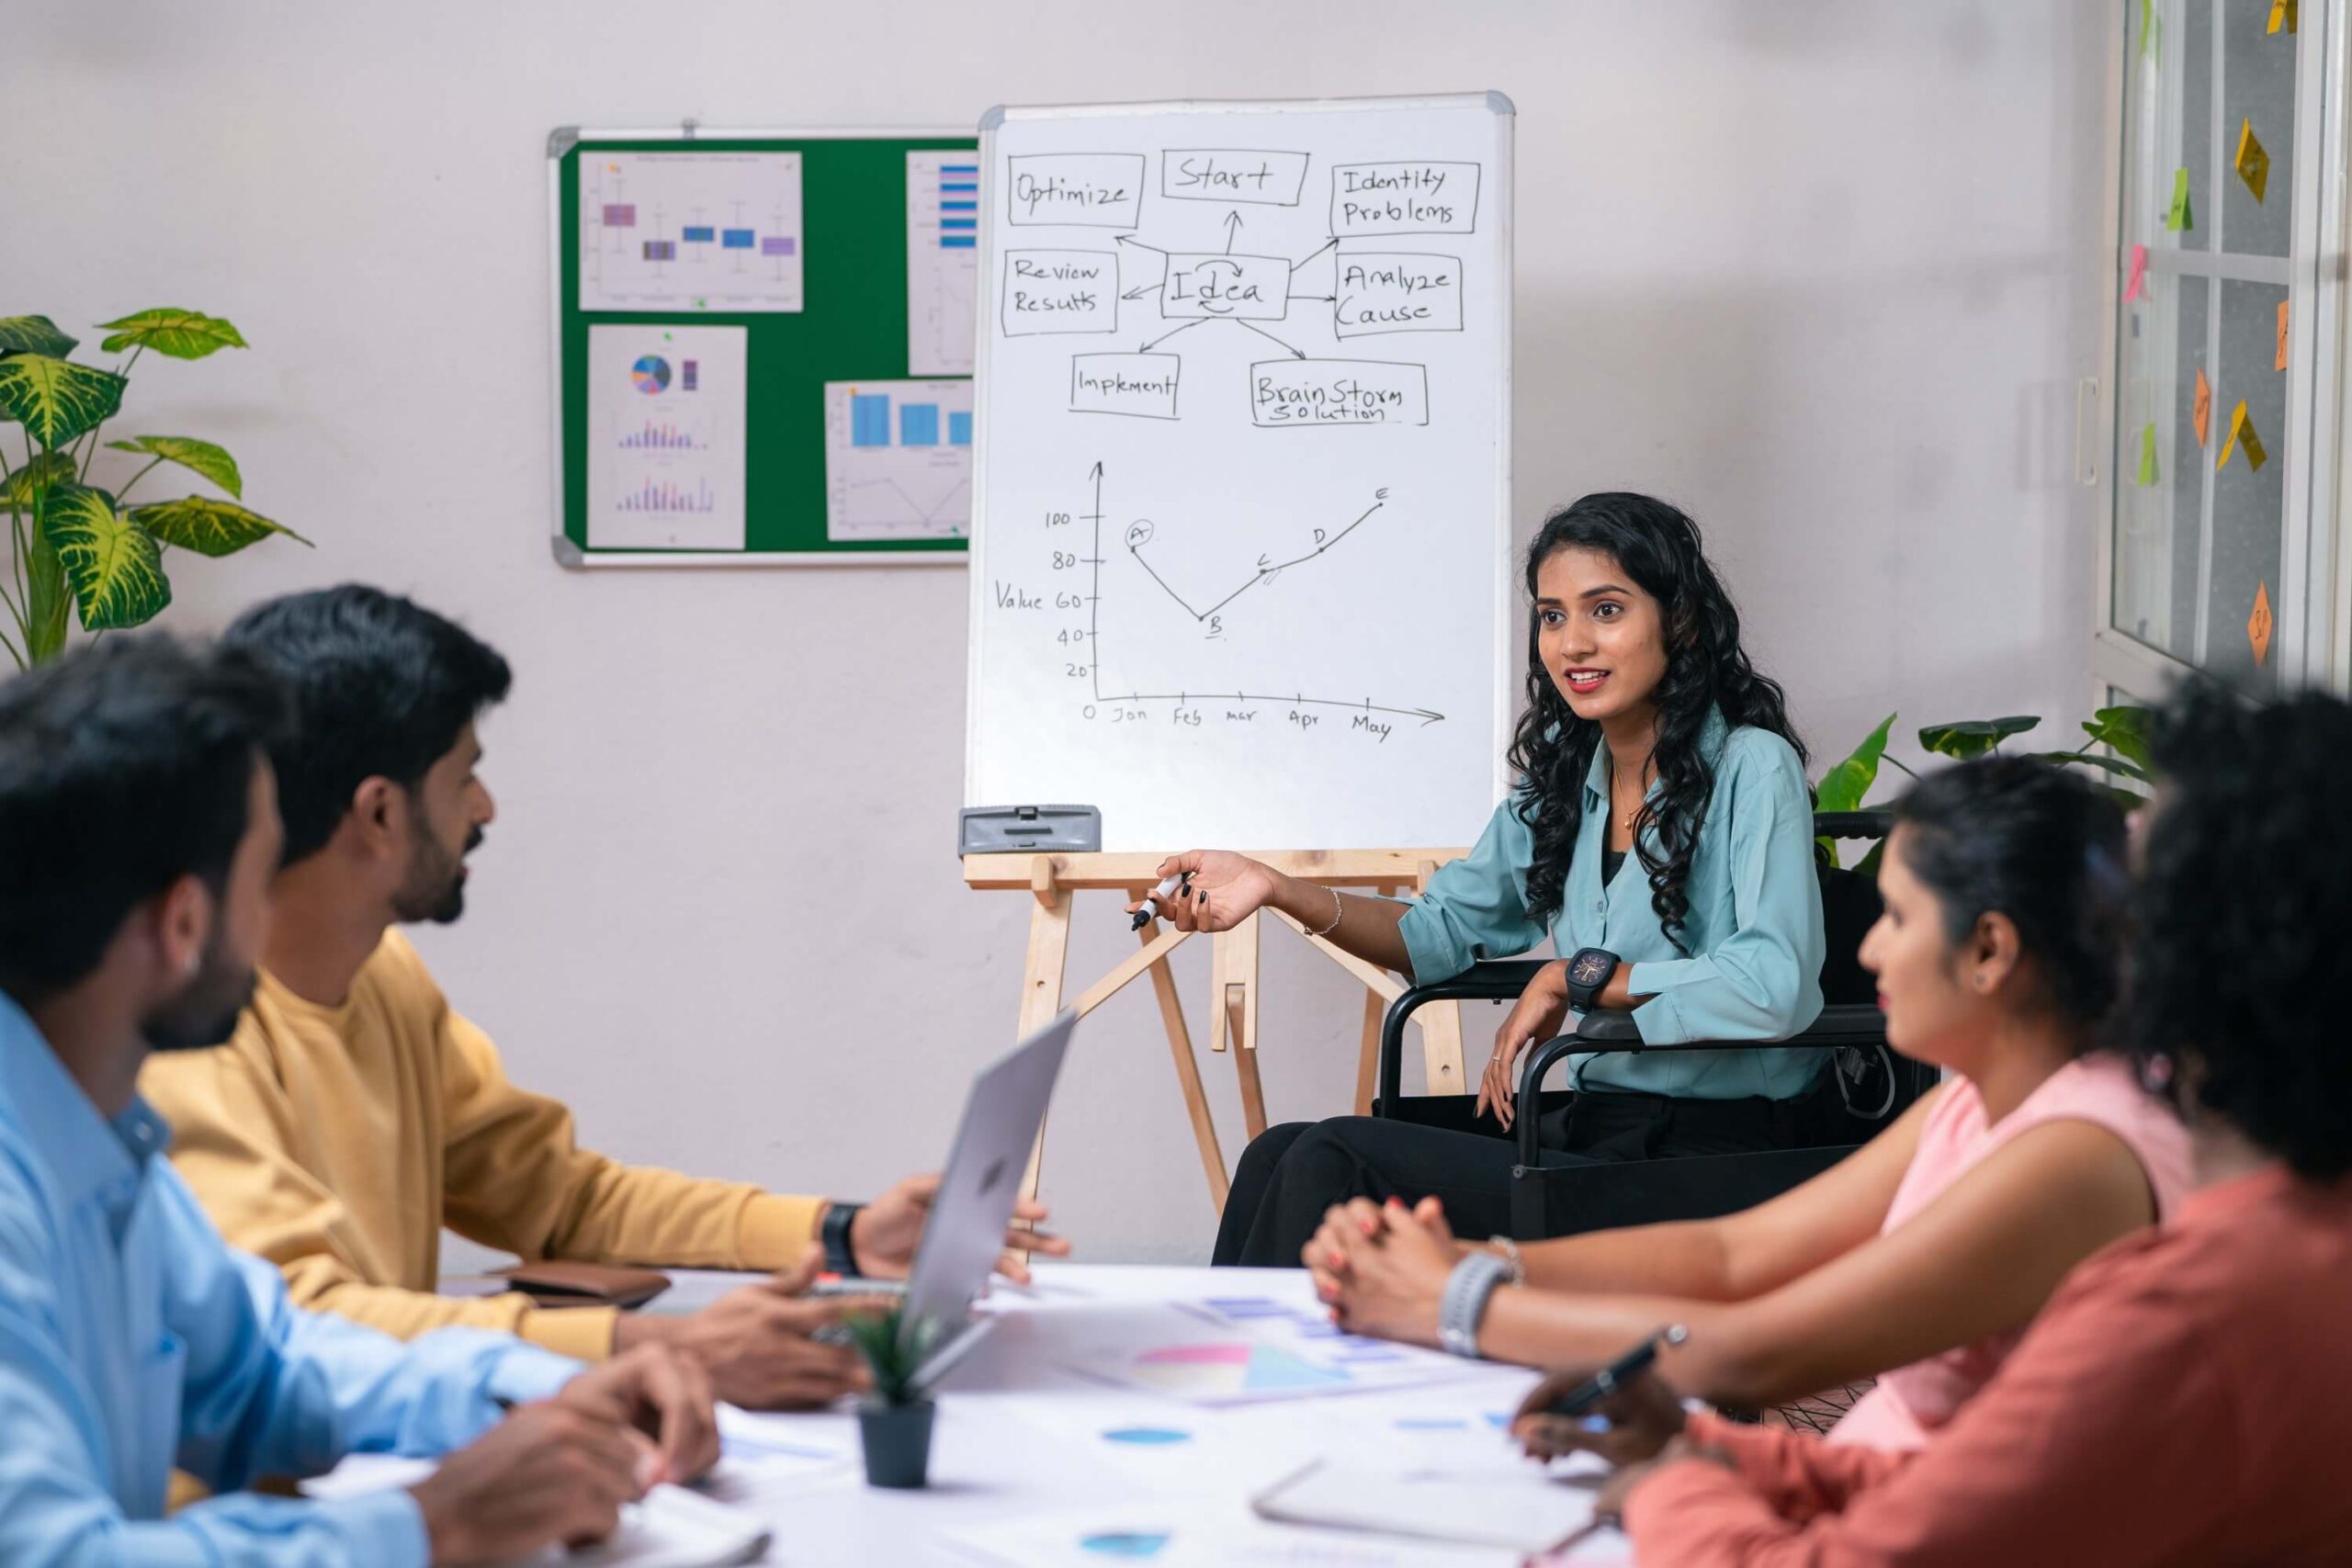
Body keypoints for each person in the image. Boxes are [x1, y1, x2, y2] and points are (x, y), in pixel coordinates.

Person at [139, 586, 1065, 1411]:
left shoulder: (383, 979)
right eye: (463, 776)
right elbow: (305, 1328)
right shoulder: (187, 1038)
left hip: (387, 1464)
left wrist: (843, 1234)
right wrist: (650, 1348)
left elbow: (559, 1200)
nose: (486, 808)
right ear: (380, 815)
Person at [1516, 682, 2352, 1563]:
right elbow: (1982, 1491)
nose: (2108, 911)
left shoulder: (2180, 1297)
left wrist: (1669, 1485)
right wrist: (1716, 1454)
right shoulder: (2295, 1238)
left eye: (2144, 879)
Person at [0, 635, 722, 1565]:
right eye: (264, 880)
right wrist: (434, 1525)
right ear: (184, 924)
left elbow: (269, 1371)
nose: (276, 918)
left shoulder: (103, 1143)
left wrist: (541, 1394)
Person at [1314, 757, 2189, 1445]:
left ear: (1990, 949)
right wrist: (1463, 1255)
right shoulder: (1982, 1102)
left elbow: (1760, 1348)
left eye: (1897, 918)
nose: (1871, 951)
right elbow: (1734, 1256)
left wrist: (1453, 1295)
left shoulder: (2077, 1153)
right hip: (1848, 1487)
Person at [1164, 493, 1831, 1267]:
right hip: (1601, 1123)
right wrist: (1275, 886)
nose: (1573, 642)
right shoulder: (1563, 772)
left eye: (1606, 610)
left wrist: (1578, 977)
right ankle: (1229, 1379)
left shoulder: (1752, 766)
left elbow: (1775, 982)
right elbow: (1435, 934)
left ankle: (1264, 1384)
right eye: (1552, 616)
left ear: (1678, 620)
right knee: (1278, 1152)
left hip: (1719, 1155)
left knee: (1336, 1160)